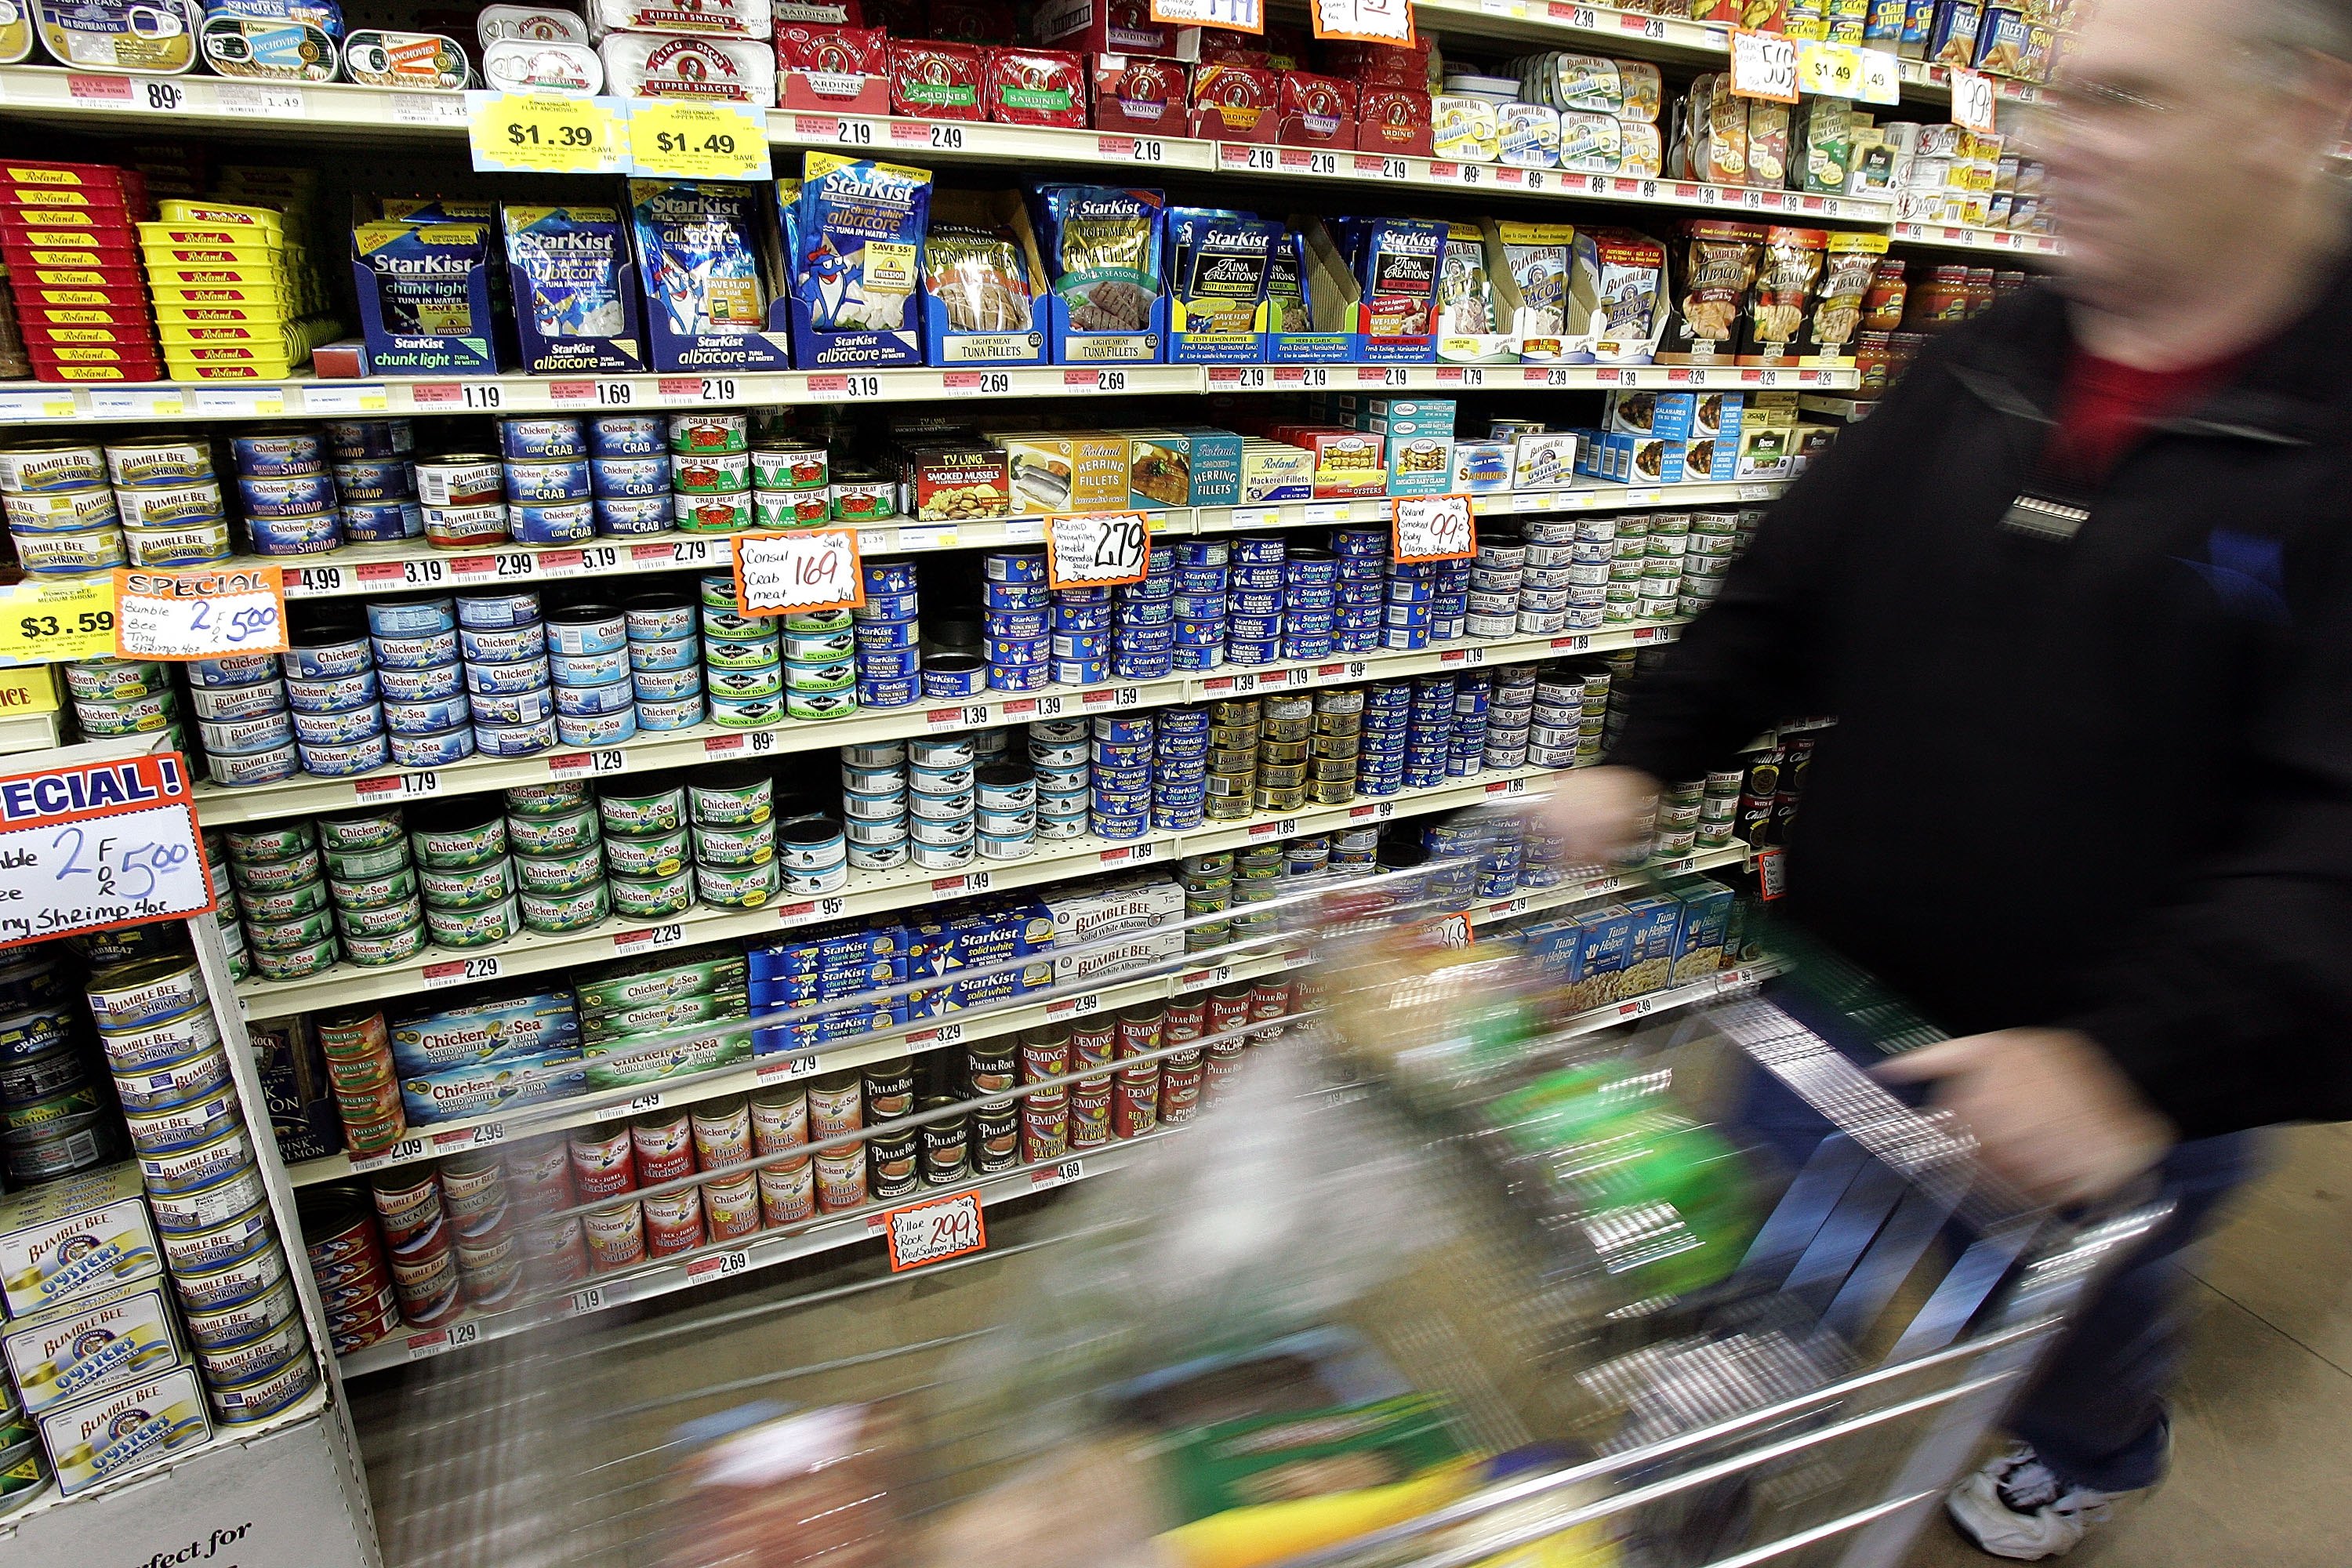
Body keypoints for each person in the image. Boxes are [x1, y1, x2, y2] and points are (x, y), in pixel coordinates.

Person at [1542, 0, 2352, 1557]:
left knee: (2086, 1310)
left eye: (2123, 101)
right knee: (1762, 1251)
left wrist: (2128, 1060)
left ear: (2293, 109)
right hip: (1848, 982)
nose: (2051, 143)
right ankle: (1696, 1464)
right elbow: (1797, 580)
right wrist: (1640, 764)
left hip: (2138, 1065)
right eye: (2051, 97)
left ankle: (2097, 1445)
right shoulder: (1991, 354)